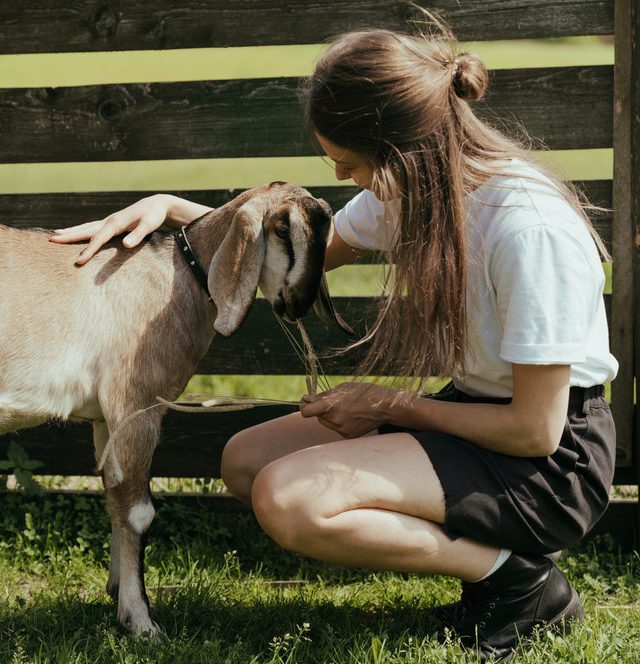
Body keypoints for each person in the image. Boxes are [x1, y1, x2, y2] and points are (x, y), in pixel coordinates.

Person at [51, 22, 618, 661]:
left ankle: (517, 583)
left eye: (349, 163)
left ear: (400, 148)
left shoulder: (528, 231)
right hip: (473, 417)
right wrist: (173, 209)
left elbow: (535, 431)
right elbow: (302, 254)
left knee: (289, 500)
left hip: (548, 465)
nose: (345, 179)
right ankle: (492, 558)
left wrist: (389, 406)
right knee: (246, 461)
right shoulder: (410, 188)